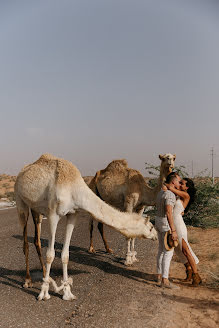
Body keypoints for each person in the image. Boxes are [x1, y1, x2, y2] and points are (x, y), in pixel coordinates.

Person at [164, 177, 202, 286]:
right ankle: (189, 273)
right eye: (179, 182)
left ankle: (196, 276)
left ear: (187, 187)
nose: (180, 184)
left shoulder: (186, 195)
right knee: (179, 251)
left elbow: (170, 187)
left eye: (182, 183)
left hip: (179, 226)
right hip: (174, 225)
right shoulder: (178, 195)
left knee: (186, 250)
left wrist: (170, 183)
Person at [155, 172, 181, 289]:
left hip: (158, 221)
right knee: (168, 251)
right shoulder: (170, 195)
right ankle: (165, 280)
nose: (179, 183)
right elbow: (169, 212)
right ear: (173, 182)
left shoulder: (161, 192)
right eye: (178, 181)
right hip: (165, 223)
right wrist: (173, 230)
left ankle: (159, 275)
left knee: (161, 249)